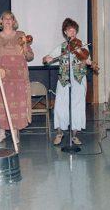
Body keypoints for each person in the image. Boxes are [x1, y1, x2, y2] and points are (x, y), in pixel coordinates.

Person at [43, 18, 91, 146]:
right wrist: (47, 58)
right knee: (60, 105)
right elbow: (47, 58)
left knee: (78, 106)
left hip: (79, 79)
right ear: (65, 32)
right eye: (70, 30)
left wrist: (87, 61)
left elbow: (87, 59)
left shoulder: (83, 45)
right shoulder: (62, 47)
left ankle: (75, 135)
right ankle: (59, 133)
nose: (73, 32)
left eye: (74, 30)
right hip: (64, 79)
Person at [0, 11, 34, 144]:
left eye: (11, 19)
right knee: (2, 105)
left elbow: (30, 57)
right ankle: (2, 133)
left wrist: (26, 51)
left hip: (19, 78)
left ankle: (15, 134)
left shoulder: (21, 35)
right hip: (3, 77)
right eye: (5, 19)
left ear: (14, 21)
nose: (8, 21)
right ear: (1, 21)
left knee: (16, 107)